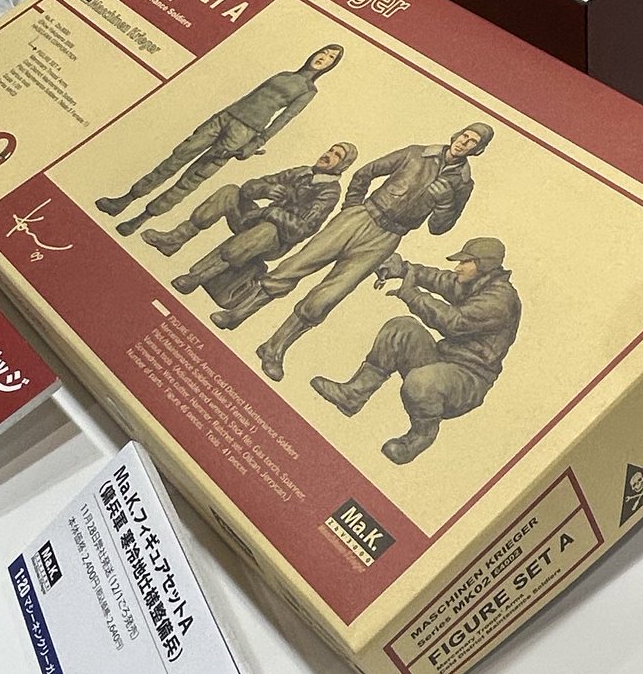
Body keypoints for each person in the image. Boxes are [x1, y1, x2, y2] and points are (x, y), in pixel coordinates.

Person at [212, 123, 494, 382]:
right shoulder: (415, 153)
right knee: (294, 267)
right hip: (360, 216)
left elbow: (439, 228)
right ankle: (236, 314)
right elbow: (366, 172)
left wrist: (445, 203)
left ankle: (273, 348)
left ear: (478, 150)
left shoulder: (462, 184)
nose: (465, 142)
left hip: (385, 239)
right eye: (464, 136)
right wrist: (352, 208)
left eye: (473, 142)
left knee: (328, 296)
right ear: (456, 135)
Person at [94, 44, 344, 236]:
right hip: (225, 117)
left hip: (244, 132)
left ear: (330, 66)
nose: (324, 57)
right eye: (324, 52)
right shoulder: (284, 74)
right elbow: (250, 95)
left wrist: (256, 143)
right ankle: (125, 200)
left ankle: (141, 219)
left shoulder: (308, 90)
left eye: (331, 58)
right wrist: (218, 116)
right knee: (175, 159)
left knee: (195, 176)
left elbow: (284, 118)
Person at [311, 237, 521, 464]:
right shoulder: (476, 282)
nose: (458, 268)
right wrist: (404, 269)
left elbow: (454, 323)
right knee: (400, 329)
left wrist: (412, 295)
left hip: (469, 380)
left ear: (484, 265)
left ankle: (420, 436)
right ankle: (353, 394)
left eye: (465, 262)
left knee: (422, 382)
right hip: (445, 361)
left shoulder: (500, 299)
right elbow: (442, 280)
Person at [142, 142, 358, 308]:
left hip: (276, 240)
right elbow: (249, 187)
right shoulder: (301, 172)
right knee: (230, 192)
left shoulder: (329, 193)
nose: (328, 155)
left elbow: (301, 230)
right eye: (330, 150)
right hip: (256, 219)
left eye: (337, 155)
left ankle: (197, 277)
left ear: (343, 165)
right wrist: (265, 190)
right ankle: (175, 240)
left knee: (266, 230)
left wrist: (270, 212)